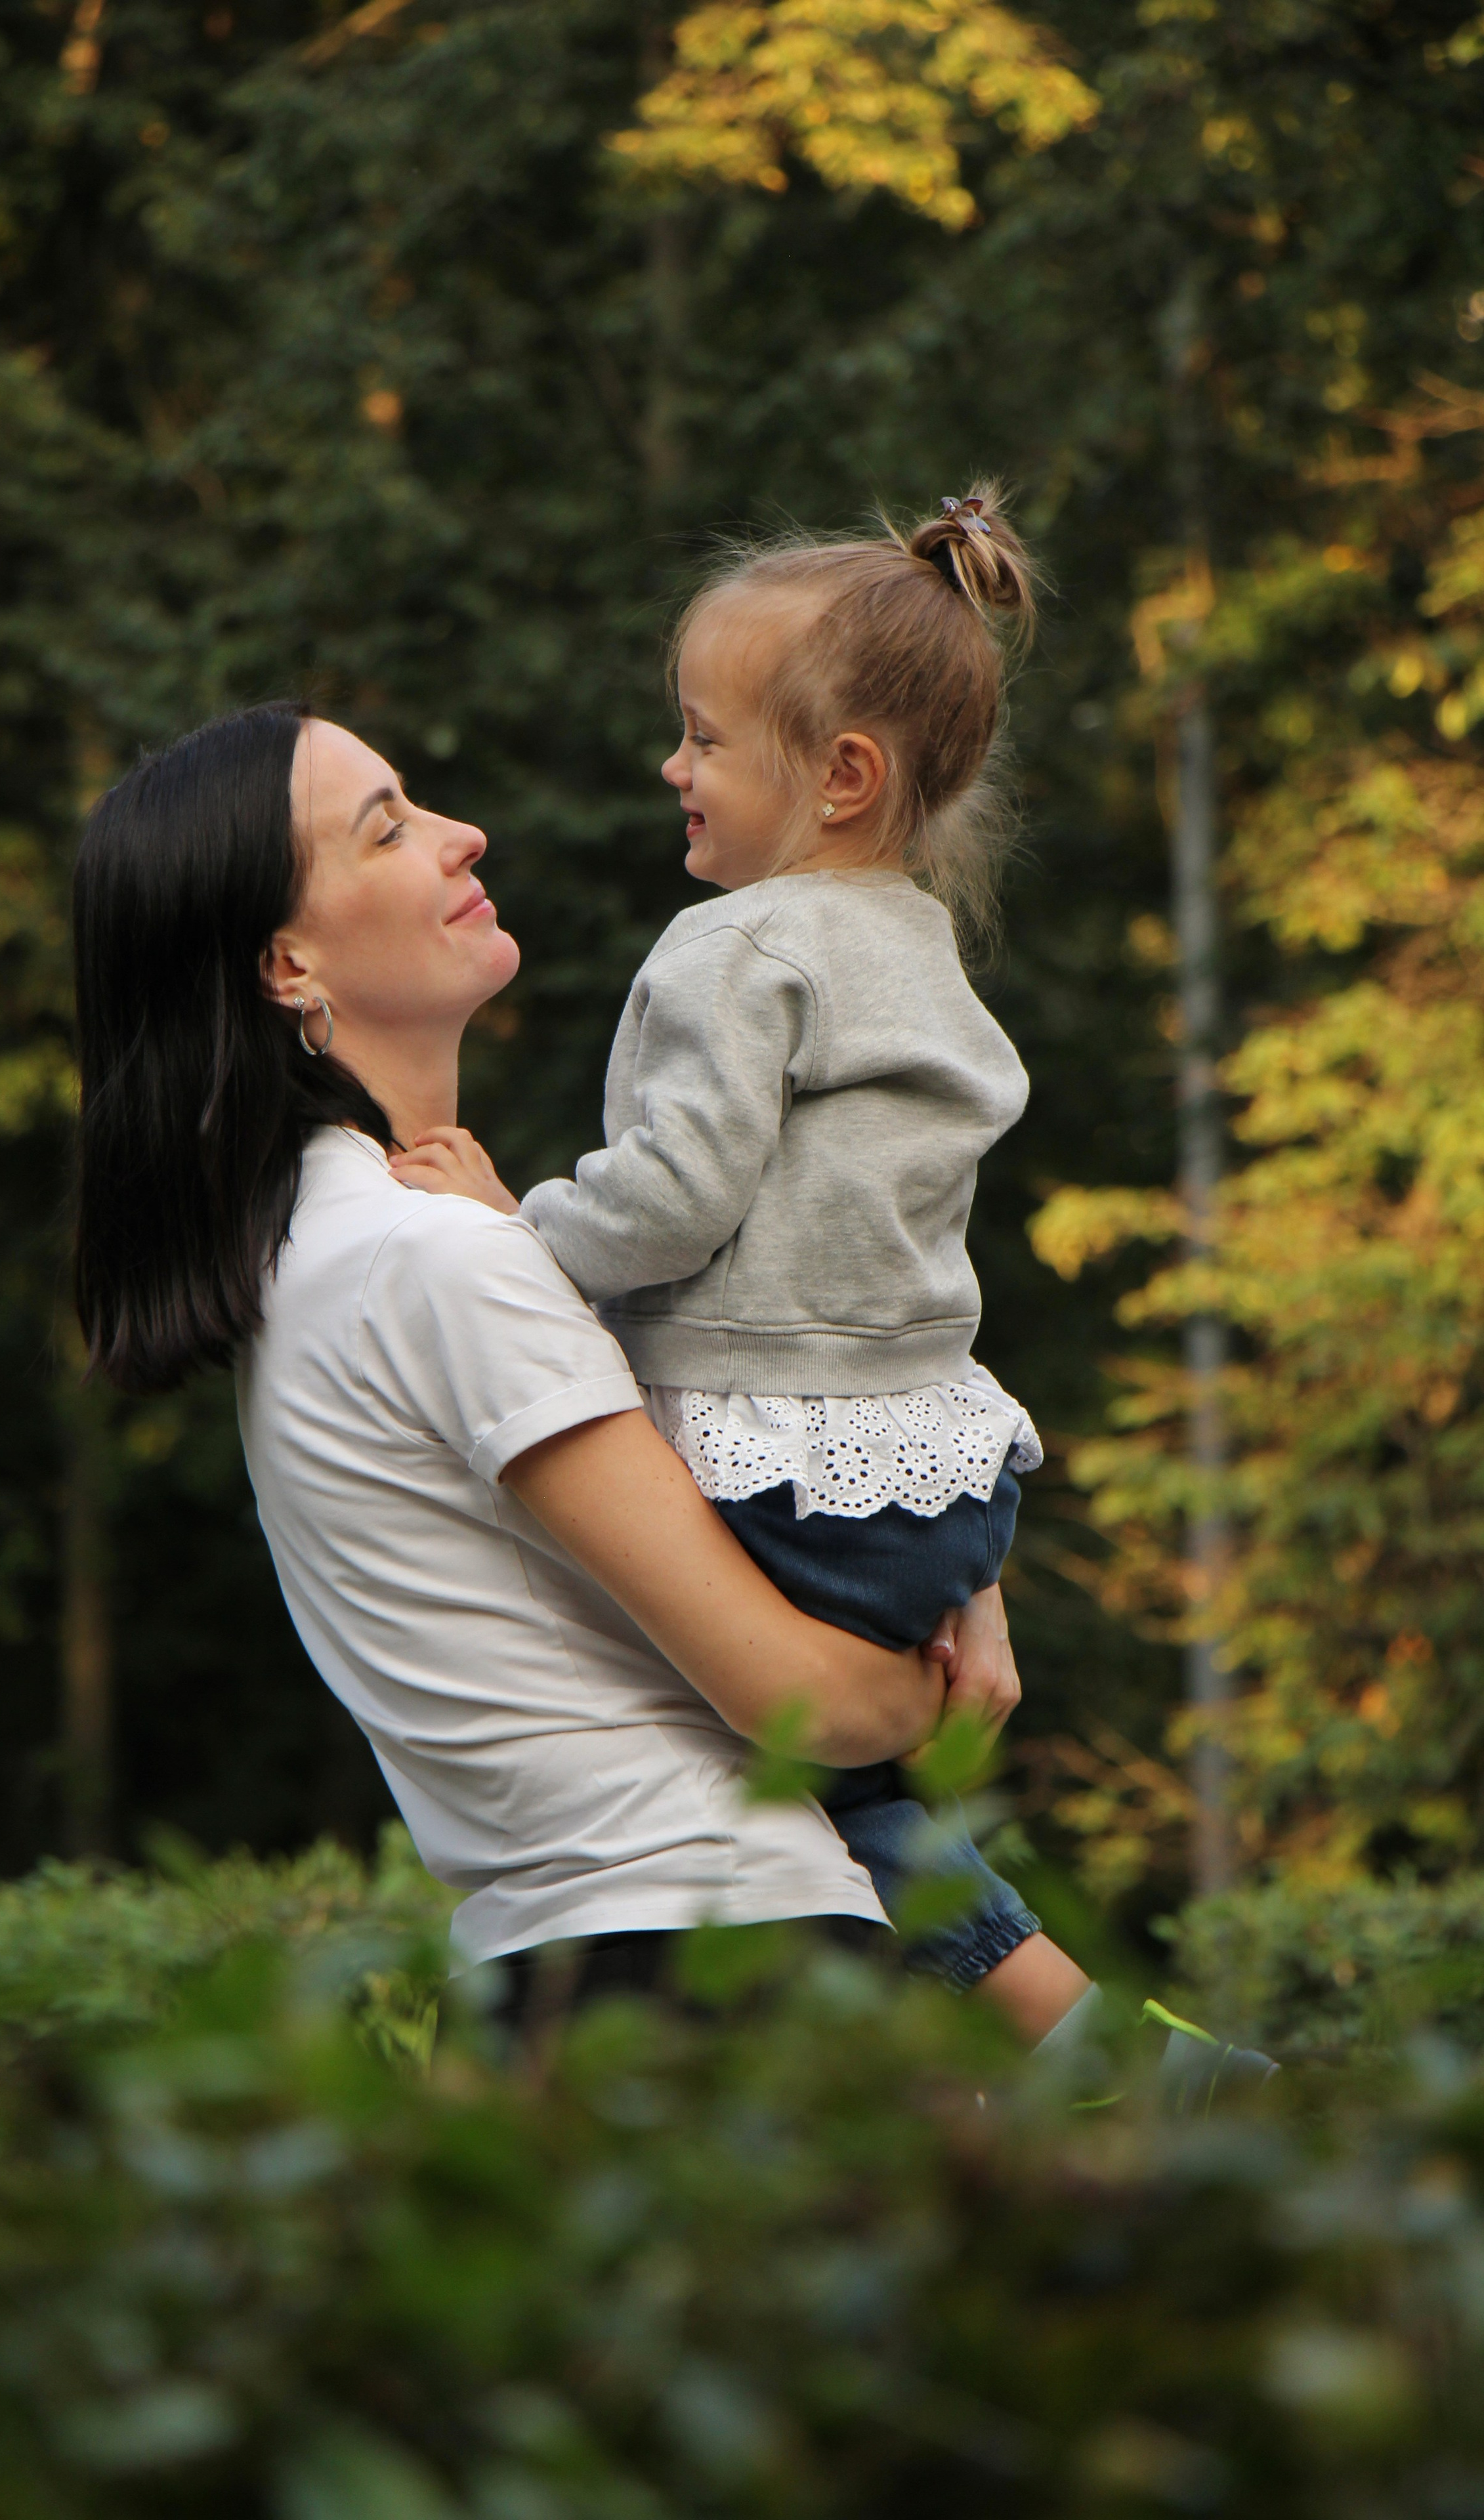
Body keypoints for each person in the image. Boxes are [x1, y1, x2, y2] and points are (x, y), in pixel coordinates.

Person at [387, 494, 1277, 2099]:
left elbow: (672, 1200)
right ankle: (1120, 2062)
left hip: (791, 1464)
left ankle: (1096, 2078)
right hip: (936, 1478)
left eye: (703, 738)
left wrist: (511, 1226)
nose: (673, 766)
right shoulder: (912, 941)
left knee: (810, 1795)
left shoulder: (734, 948)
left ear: (841, 774)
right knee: (877, 1812)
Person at [70, 697, 1095, 2048]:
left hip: (582, 1975)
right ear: (287, 964)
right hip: (707, 1972)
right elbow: (806, 1700)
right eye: (387, 829)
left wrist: (956, 1584)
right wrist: (939, 1672)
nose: (461, 834)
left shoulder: (328, 1254)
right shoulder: (434, 1258)